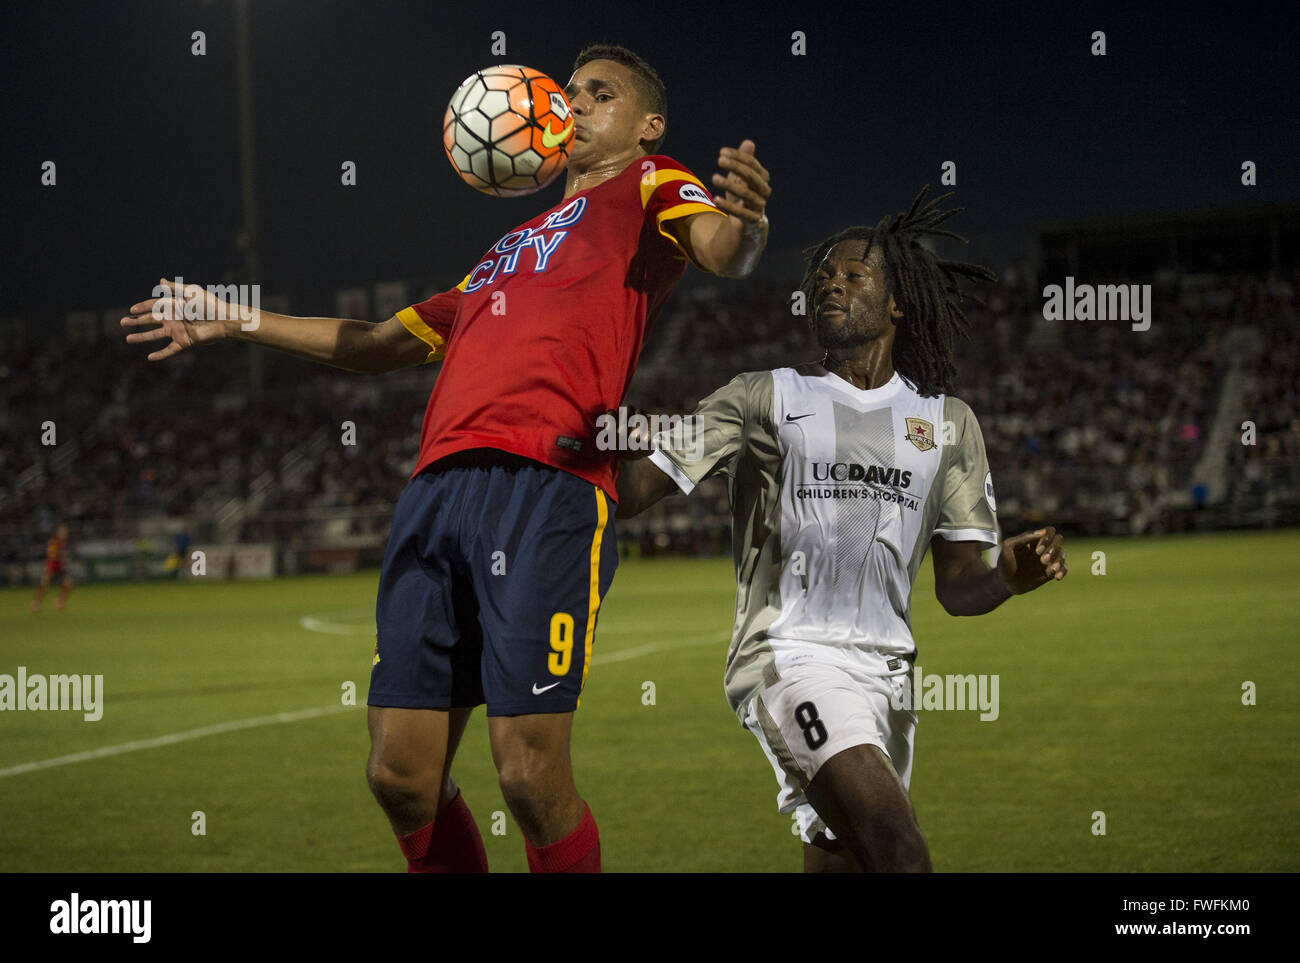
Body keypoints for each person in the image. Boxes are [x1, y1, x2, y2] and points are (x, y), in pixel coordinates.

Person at [121, 44, 771, 873]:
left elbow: (722, 249)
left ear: (649, 126)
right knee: (398, 772)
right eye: (567, 93)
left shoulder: (651, 184)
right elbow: (375, 344)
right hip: (437, 491)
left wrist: (748, 224)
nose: (572, 106)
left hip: (549, 487)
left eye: (599, 96)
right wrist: (233, 319)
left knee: (530, 777)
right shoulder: (507, 248)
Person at [615, 188, 1065, 872]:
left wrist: (1007, 573)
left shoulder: (948, 423)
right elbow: (634, 490)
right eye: (823, 274)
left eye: (854, 274)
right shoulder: (762, 396)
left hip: (889, 678)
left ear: (897, 303)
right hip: (788, 658)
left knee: (843, 856)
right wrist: (595, 422)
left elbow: (959, 588)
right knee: (900, 851)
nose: (832, 281)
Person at [30, 523, 73, 613]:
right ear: (58, 532)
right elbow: (52, 555)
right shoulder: (54, 541)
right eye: (62, 531)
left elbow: (65, 556)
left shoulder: (64, 542)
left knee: (68, 583)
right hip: (51, 566)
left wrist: (65, 558)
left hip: (60, 567)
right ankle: (35, 603)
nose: (64, 533)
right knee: (44, 587)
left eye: (65, 531)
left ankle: (59, 601)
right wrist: (61, 556)